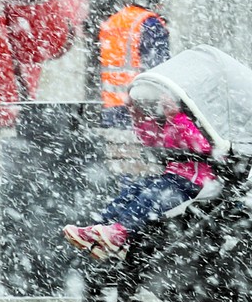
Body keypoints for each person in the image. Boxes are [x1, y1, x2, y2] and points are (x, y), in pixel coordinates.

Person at [63, 83, 217, 259]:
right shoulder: (169, 123)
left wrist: (177, 117)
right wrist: (136, 115)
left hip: (191, 183)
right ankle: (100, 228)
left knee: (150, 197)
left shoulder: (191, 121)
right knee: (133, 190)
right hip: (172, 177)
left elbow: (202, 146)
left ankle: (120, 231)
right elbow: (149, 139)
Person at [99, 0, 170, 128]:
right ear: (155, 1)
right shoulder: (150, 23)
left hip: (111, 104)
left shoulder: (113, 21)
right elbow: (159, 68)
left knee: (115, 146)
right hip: (139, 107)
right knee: (143, 150)